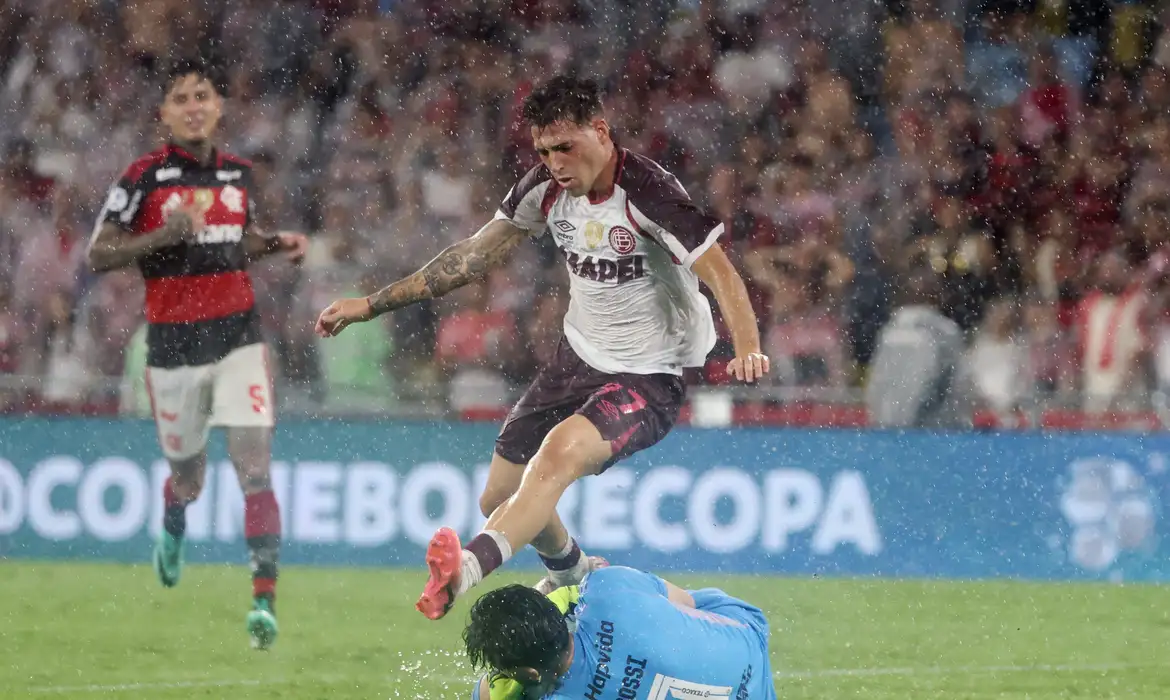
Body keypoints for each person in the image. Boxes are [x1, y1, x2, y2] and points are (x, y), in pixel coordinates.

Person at [315, 74, 769, 619]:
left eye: (565, 147)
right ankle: (572, 572)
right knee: (498, 497)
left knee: (553, 460)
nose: (554, 162)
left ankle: (465, 572)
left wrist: (747, 346)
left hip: (647, 377)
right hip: (575, 358)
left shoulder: (648, 192)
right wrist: (369, 304)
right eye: (544, 150)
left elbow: (722, 275)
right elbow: (470, 258)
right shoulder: (545, 190)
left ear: (600, 131)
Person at [86, 57, 308, 650]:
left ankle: (264, 602)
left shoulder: (238, 174)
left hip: (239, 337)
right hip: (173, 349)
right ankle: (174, 522)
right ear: (164, 113)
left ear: (218, 107)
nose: (193, 106)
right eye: (180, 98)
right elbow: (98, 253)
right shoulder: (143, 177)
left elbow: (239, 241)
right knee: (190, 478)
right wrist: (164, 234)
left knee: (254, 468)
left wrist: (275, 244)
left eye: (202, 95)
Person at [464, 566, 776, 700]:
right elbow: (685, 602)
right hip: (747, 639)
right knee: (657, 607)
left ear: (531, 672)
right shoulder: (606, 587)